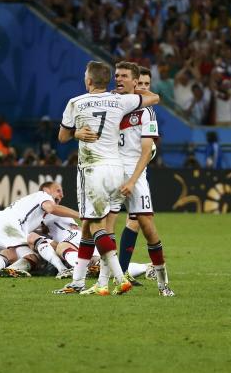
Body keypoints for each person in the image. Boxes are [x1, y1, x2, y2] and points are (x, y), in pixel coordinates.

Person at [54, 60, 160, 295]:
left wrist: (75, 133)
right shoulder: (121, 101)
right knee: (87, 227)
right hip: (116, 170)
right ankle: (78, 282)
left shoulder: (75, 102)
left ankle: (120, 278)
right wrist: (136, 88)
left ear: (89, 80)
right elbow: (154, 98)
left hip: (93, 169)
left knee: (95, 226)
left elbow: (62, 137)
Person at [78, 63, 173, 296]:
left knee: (147, 226)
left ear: (134, 82)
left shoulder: (145, 112)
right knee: (105, 227)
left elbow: (145, 151)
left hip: (134, 174)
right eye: (117, 75)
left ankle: (163, 284)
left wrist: (132, 180)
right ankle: (102, 283)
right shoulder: (110, 102)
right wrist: (77, 132)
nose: (119, 80)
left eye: (124, 77)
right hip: (110, 170)